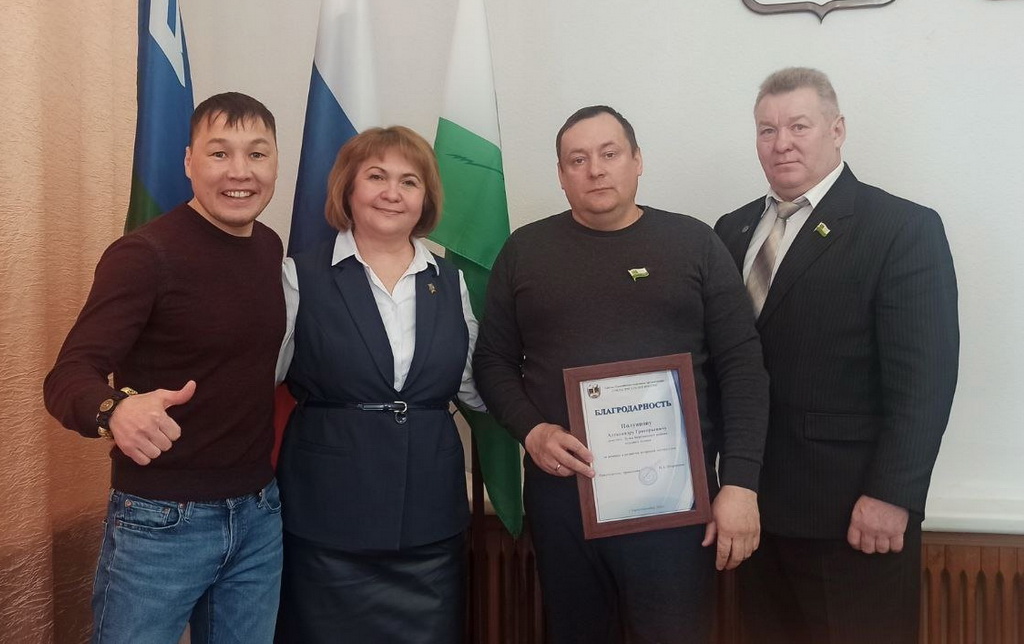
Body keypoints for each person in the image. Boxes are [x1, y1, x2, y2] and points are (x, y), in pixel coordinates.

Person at [473, 105, 770, 643]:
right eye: (577, 159)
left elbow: (742, 368)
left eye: (609, 154)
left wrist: (741, 483)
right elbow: (492, 362)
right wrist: (532, 431)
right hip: (564, 502)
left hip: (676, 506)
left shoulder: (694, 243)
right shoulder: (525, 251)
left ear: (637, 161)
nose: (595, 169)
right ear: (561, 174)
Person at [715, 67, 959, 644]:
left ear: (837, 130)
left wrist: (892, 494)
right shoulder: (731, 230)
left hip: (853, 516)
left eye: (799, 126)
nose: (782, 143)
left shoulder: (900, 228)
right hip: (753, 512)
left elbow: (924, 381)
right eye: (767, 130)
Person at [43, 92, 285, 643]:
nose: (240, 171)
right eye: (219, 153)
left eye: (257, 153)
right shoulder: (144, 255)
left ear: (276, 163)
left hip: (259, 513)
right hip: (162, 520)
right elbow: (68, 375)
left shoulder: (269, 247)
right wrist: (115, 410)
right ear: (189, 162)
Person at [274, 126, 485, 643]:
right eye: (376, 177)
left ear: (425, 199)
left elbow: (474, 386)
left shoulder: (450, 281)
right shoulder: (299, 276)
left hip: (429, 528)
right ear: (348, 187)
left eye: (409, 181)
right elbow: (258, 378)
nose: (393, 192)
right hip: (327, 522)